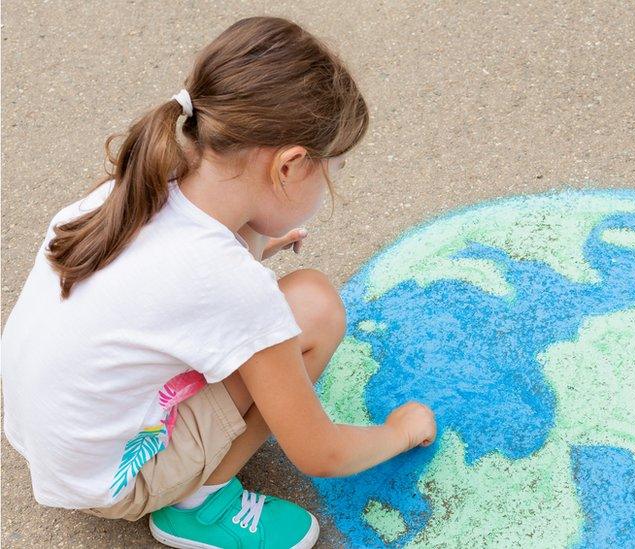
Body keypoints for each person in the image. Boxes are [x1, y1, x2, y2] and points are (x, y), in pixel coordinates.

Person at [0, 16, 436, 549]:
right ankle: (199, 504)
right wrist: (402, 432)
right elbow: (319, 452)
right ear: (291, 165)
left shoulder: (138, 182)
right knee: (313, 307)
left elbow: (172, 282)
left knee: (265, 300)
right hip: (112, 481)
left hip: (48, 437)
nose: (331, 185)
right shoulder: (230, 285)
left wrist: (256, 246)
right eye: (334, 169)